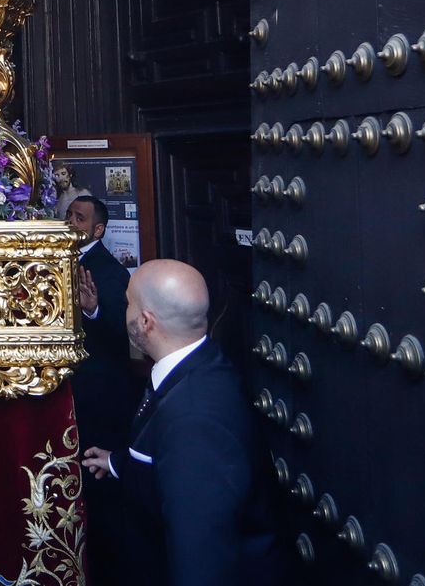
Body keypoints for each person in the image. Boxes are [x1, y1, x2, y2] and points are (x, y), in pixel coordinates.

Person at [81, 260, 281, 586]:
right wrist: (121, 462)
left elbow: (201, 555)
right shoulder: (200, 361)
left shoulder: (194, 419)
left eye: (129, 301)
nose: (125, 309)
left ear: (145, 321)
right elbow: (169, 458)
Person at [65, 197, 138, 586]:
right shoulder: (63, 259)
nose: (71, 221)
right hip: (74, 390)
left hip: (102, 395)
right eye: (69, 215)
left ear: (98, 230)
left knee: (100, 489)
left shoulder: (110, 272)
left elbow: (119, 335)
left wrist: (93, 310)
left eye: (80, 218)